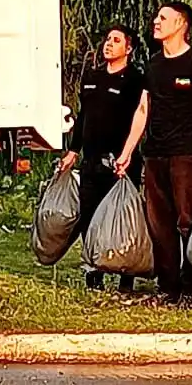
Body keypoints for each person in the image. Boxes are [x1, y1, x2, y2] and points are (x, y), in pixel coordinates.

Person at [114, 2, 192, 306]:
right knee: (158, 222)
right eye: (156, 17)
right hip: (155, 153)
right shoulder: (152, 66)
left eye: (163, 18)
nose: (155, 22)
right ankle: (168, 288)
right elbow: (143, 109)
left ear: (181, 24)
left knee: (186, 219)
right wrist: (127, 152)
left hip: (187, 153)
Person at [58, 24, 145, 294]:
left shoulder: (135, 80)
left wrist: (127, 154)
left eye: (116, 40)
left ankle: (125, 276)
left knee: (122, 217)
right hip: (91, 160)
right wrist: (73, 150)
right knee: (90, 216)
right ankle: (94, 272)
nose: (109, 44)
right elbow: (84, 116)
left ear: (128, 49)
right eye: (107, 39)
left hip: (121, 161)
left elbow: (140, 117)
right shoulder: (92, 77)